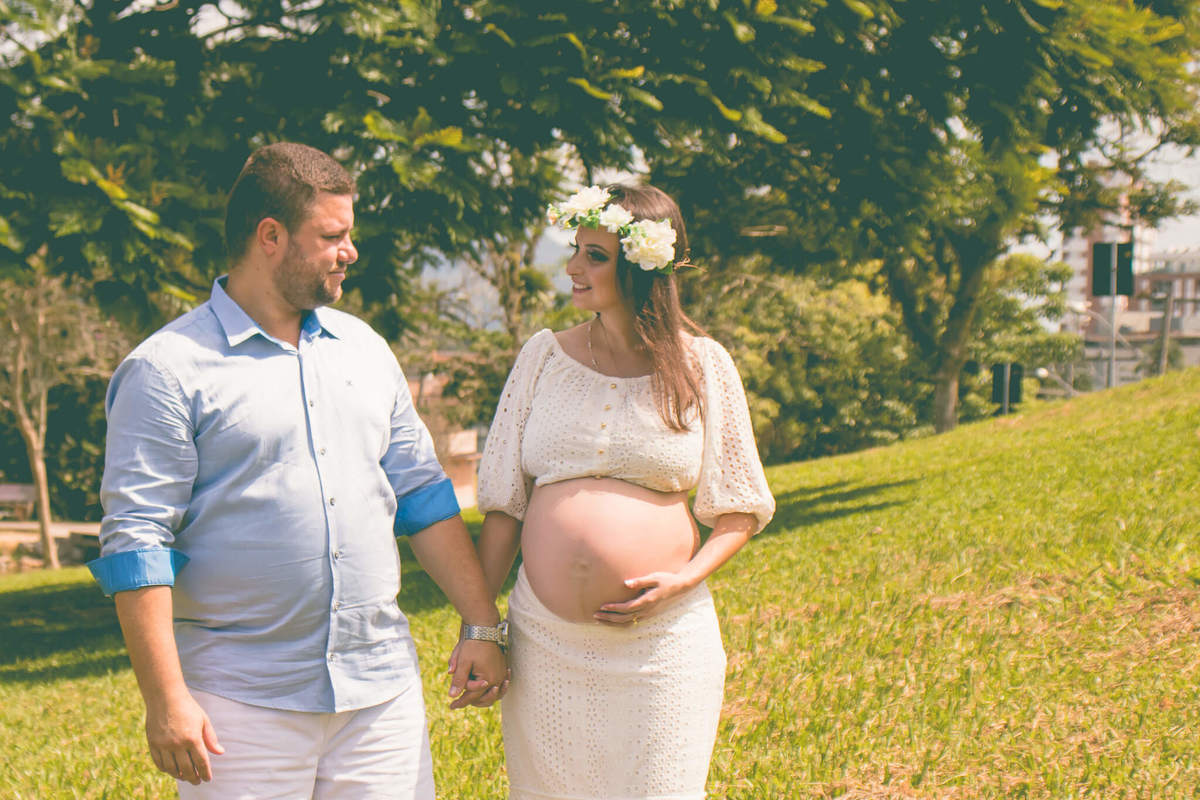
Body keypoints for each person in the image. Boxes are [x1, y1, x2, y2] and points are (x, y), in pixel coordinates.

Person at [88, 142, 509, 799]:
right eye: (333, 235)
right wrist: (167, 699)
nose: (350, 251)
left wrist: (481, 622)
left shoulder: (366, 350)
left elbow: (423, 497)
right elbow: (138, 543)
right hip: (239, 706)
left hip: (380, 697)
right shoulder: (166, 370)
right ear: (271, 237)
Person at [473, 183, 775, 799]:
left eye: (596, 256)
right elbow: (505, 506)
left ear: (641, 268)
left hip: (660, 646)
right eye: (576, 250)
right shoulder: (541, 358)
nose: (574, 268)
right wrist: (478, 632)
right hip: (546, 644)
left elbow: (741, 506)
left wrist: (685, 580)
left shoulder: (703, 365)